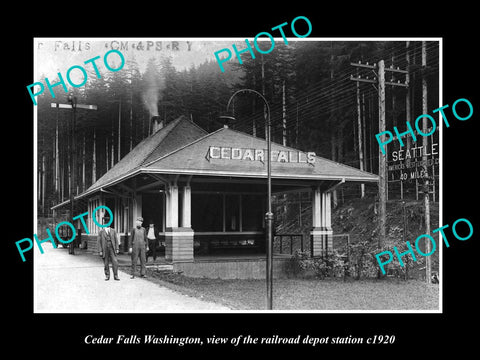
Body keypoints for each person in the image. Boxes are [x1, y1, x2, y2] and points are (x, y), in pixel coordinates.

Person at [97, 216, 120, 281]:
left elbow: (116, 240)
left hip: (112, 248)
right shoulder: (101, 232)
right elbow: (99, 242)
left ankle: (116, 275)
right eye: (106, 223)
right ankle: (107, 275)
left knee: (115, 261)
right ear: (104, 223)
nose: (107, 224)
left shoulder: (113, 231)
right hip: (105, 249)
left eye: (109, 223)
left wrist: (117, 248)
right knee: (106, 263)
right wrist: (100, 251)